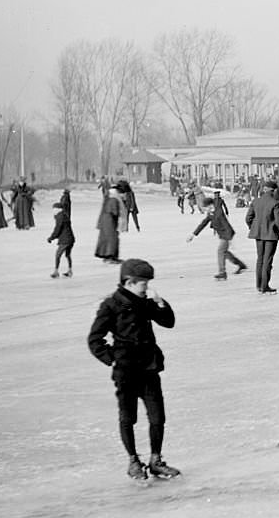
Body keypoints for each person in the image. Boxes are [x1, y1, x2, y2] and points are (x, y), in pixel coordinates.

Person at [87, 258, 180, 481]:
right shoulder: (111, 305)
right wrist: (113, 359)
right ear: (129, 282)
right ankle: (133, 461)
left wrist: (160, 303)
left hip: (149, 368)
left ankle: (156, 460)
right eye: (143, 284)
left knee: (158, 417)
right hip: (126, 371)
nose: (146, 288)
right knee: (128, 417)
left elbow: (168, 322)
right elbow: (95, 339)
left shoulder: (146, 302)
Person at [187, 196, 247, 280]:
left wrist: (230, 239)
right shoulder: (211, 213)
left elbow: (226, 225)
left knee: (220, 251)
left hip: (226, 234)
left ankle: (222, 272)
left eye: (205, 208)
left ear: (210, 206)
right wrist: (193, 234)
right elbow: (204, 223)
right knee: (224, 253)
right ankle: (241, 265)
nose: (204, 210)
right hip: (222, 234)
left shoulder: (219, 213)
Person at [245, 181, 279, 294]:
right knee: (267, 260)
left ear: (264, 189)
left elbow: (248, 218)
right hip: (271, 235)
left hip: (258, 234)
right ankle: (265, 285)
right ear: (274, 190)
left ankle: (259, 284)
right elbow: (278, 221)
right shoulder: (275, 202)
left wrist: (254, 227)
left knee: (260, 259)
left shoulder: (256, 201)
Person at [46, 201, 75, 278]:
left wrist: (51, 238)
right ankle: (70, 271)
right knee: (68, 255)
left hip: (65, 239)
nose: (53, 210)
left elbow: (58, 228)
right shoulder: (64, 215)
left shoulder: (60, 216)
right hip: (70, 238)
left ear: (58, 209)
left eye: (54, 209)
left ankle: (56, 271)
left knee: (58, 255)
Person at [95, 187, 122, 264]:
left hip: (104, 222)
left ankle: (106, 256)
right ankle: (111, 257)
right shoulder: (114, 200)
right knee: (112, 240)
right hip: (110, 222)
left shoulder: (106, 200)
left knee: (106, 239)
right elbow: (115, 212)